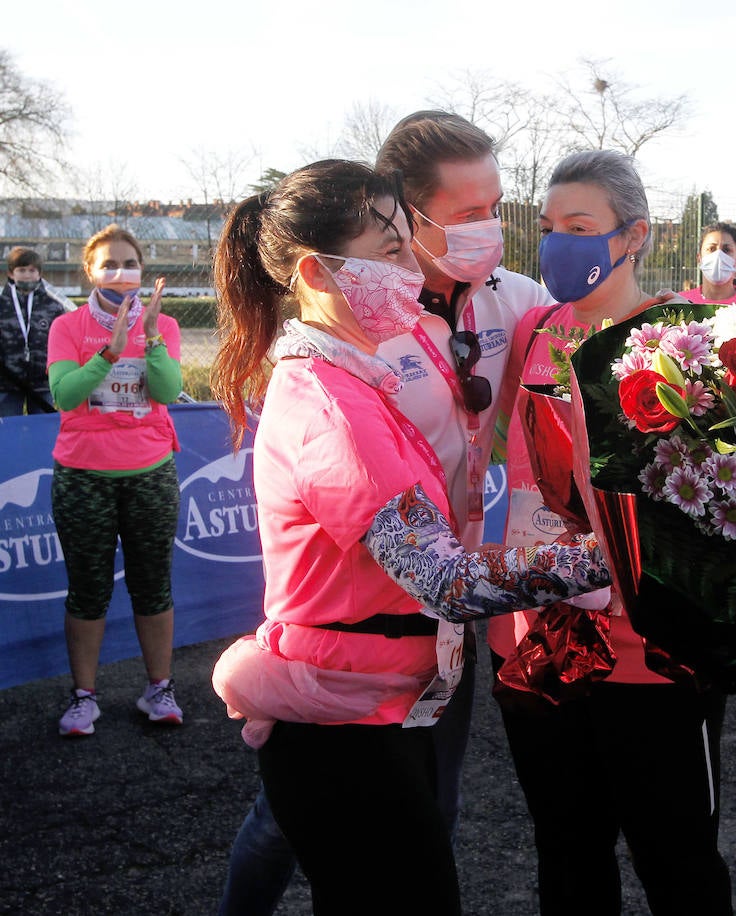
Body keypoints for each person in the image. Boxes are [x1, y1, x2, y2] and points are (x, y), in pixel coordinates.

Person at [209, 159, 608, 914]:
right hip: (345, 730)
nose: (411, 269)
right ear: (317, 274)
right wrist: (611, 554)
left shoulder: (360, 375)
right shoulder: (330, 407)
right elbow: (445, 579)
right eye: (390, 252)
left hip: (383, 703)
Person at [491, 149, 733, 915]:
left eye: (581, 227)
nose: (559, 243)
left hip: (650, 659)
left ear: (634, 237)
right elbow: (504, 440)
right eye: (550, 227)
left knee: (678, 862)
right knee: (566, 853)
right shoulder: (534, 330)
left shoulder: (690, 344)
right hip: (536, 642)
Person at [46, 226, 183, 737]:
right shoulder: (68, 327)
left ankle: (160, 689)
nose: (120, 273)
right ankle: (84, 697)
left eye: (130, 263)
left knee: (153, 585)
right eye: (109, 264)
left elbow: (167, 390)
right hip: (84, 478)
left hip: (149, 474)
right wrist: (108, 352)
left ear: (143, 272)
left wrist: (147, 341)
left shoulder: (163, 324)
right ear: (90, 270)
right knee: (88, 590)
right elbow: (63, 394)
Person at [1, 248, 68, 415]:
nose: (27, 275)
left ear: (39, 274)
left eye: (32, 270)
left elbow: (62, 344)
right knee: (8, 432)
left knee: (42, 432)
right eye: (21, 270)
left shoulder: (53, 306)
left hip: (42, 383)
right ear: (11, 273)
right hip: (7, 383)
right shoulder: (2, 305)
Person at [680, 221, 736, 311]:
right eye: (711, 249)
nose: (718, 255)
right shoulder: (680, 304)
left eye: (726, 250)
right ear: (699, 259)